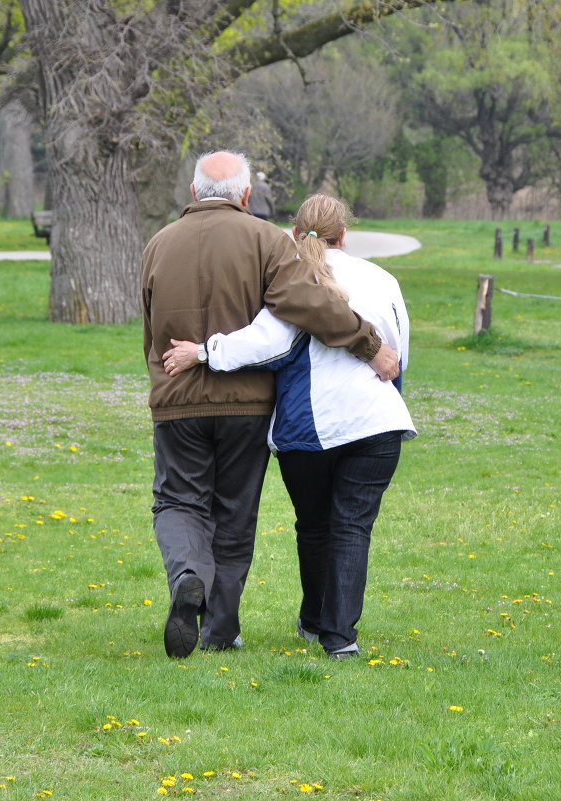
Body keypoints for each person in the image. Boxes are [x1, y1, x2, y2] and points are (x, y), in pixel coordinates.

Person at [141, 153, 400, 659]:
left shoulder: (156, 245)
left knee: (177, 501)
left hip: (176, 400)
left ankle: (188, 574)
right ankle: (219, 629)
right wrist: (369, 345)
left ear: (194, 194)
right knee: (235, 515)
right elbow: (311, 304)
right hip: (246, 404)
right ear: (244, 196)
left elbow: (150, 327)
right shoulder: (265, 240)